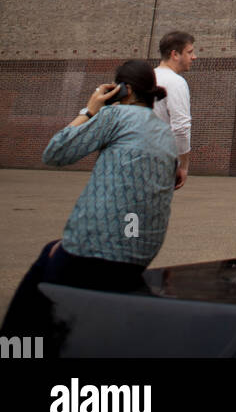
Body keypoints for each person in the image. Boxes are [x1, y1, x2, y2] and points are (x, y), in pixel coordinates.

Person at [1, 60, 178, 341]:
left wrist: (90, 110)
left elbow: (55, 152)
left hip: (97, 251)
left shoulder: (114, 117)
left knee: (35, 294)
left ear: (125, 89)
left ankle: (16, 348)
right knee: (53, 250)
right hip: (141, 253)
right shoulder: (167, 135)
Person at [153, 30, 196, 188]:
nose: (194, 57)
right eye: (189, 52)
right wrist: (183, 165)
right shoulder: (176, 82)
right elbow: (181, 128)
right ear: (175, 54)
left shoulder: (147, 77)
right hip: (159, 162)